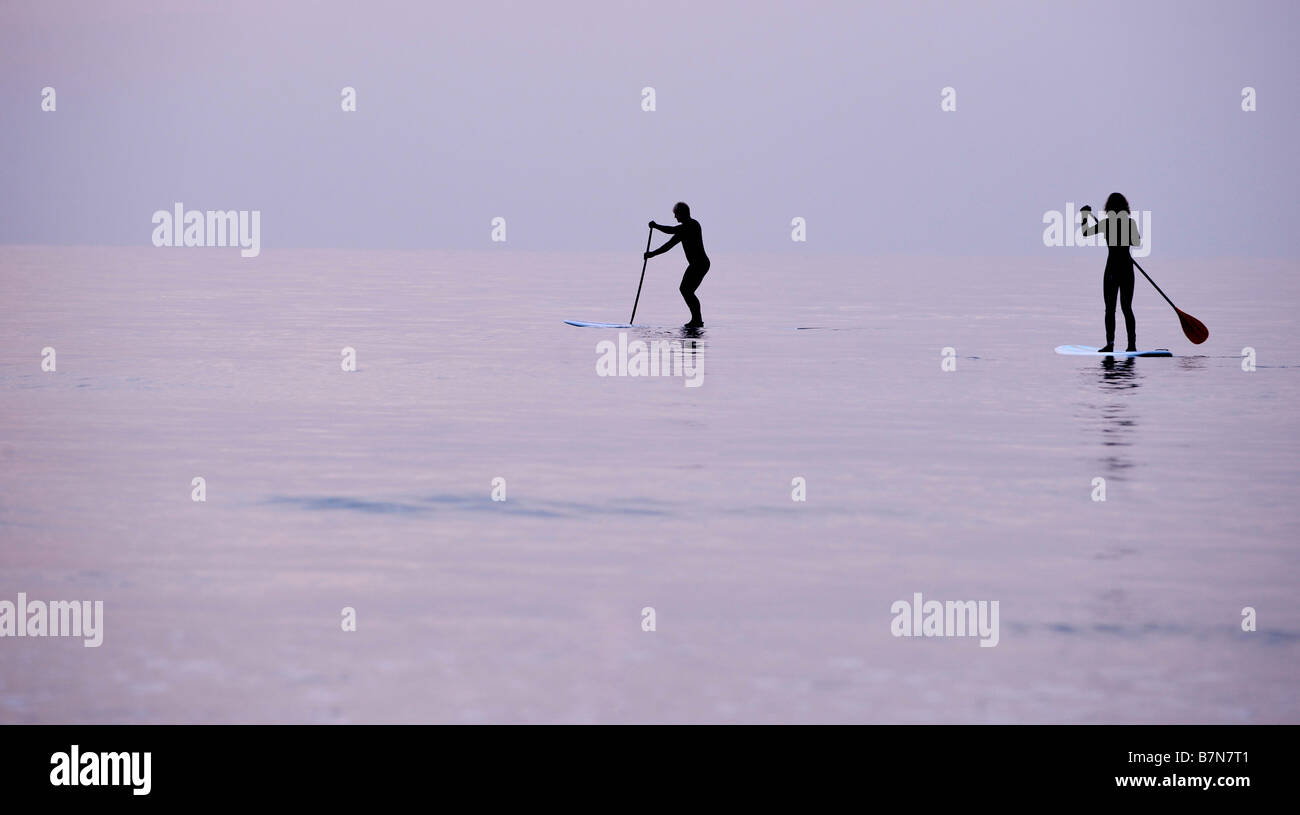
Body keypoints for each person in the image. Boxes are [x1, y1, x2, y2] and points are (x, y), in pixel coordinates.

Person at [1080, 193, 1141, 352]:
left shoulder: (1107, 223)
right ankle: (1131, 346)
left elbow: (1085, 232)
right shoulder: (1129, 223)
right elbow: (1137, 241)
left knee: (1111, 309)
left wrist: (1085, 216)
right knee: (1127, 308)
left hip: (1113, 270)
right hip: (1127, 269)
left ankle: (1110, 344)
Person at [645, 202, 710, 328]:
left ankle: (697, 320)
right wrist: (652, 254)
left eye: (676, 214)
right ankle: (697, 319)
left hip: (700, 264)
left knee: (687, 290)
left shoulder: (692, 225)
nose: (675, 217)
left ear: (682, 213)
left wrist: (656, 226)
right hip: (696, 264)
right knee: (687, 290)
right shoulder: (683, 230)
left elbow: (671, 230)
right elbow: (668, 246)